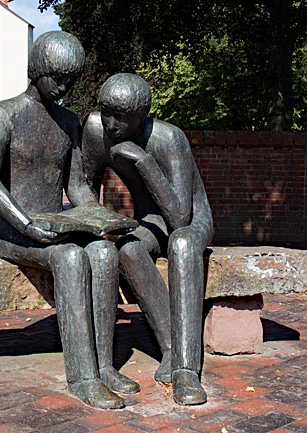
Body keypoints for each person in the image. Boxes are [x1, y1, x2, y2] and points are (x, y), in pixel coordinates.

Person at [0, 32, 132, 409]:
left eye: (71, 79)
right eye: (57, 77)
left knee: (105, 254)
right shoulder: (4, 113)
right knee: (71, 258)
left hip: (50, 226)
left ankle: (104, 365)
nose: (64, 87)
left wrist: (97, 217)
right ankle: (83, 377)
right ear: (37, 71)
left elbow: (76, 183)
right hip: (10, 228)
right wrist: (25, 223)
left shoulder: (69, 121)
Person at [74, 73, 214, 405]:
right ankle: (169, 346)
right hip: (149, 220)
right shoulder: (96, 131)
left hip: (192, 218)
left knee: (181, 244)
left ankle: (186, 371)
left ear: (143, 114)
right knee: (128, 248)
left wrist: (143, 160)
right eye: (106, 112)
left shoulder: (169, 139)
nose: (111, 124)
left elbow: (180, 217)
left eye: (121, 117)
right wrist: (95, 217)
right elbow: (83, 184)